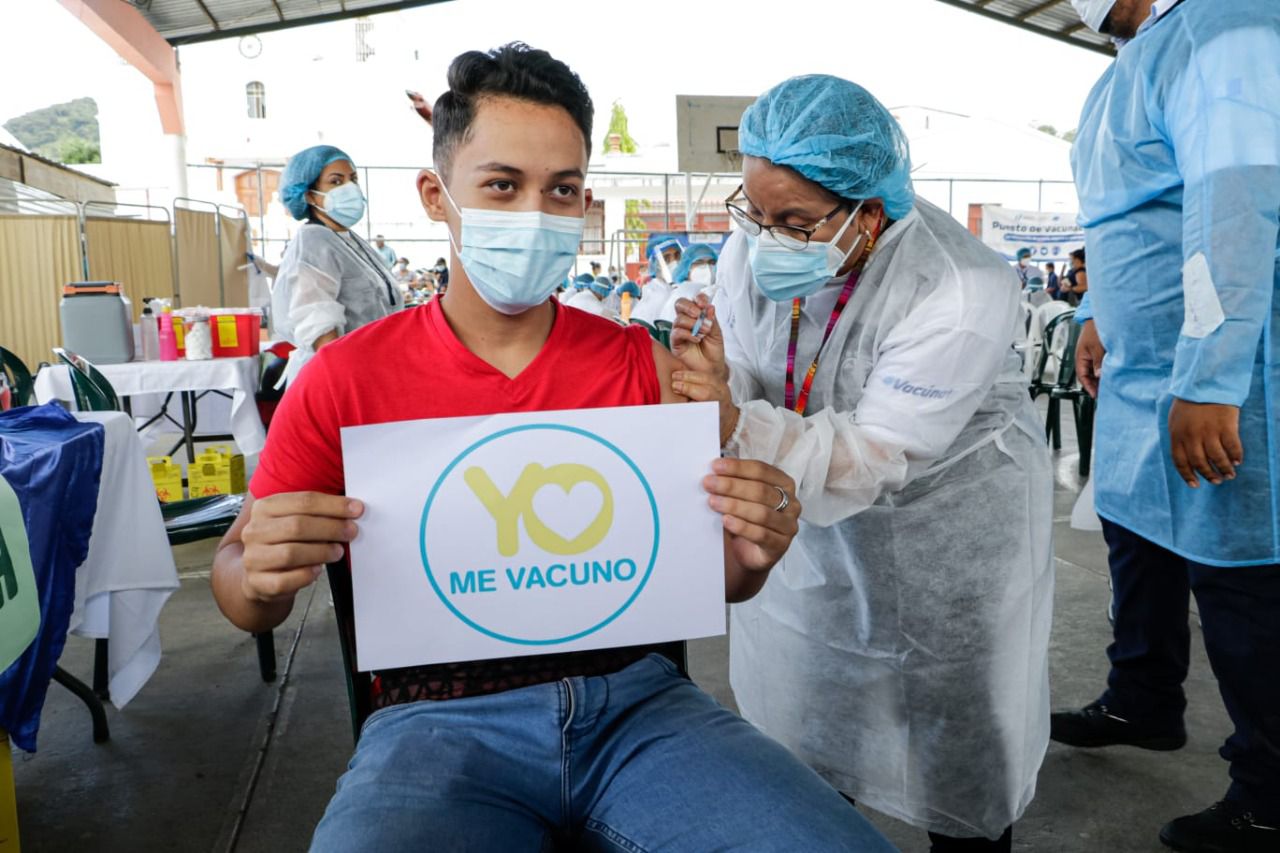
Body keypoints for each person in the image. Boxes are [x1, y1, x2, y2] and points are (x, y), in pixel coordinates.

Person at [211, 43, 892, 853]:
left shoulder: (645, 367)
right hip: (435, 722)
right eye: (502, 185)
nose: (535, 213)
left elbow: (717, 577)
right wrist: (260, 573)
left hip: (640, 708)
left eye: (561, 189)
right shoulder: (343, 380)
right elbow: (239, 584)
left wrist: (755, 546)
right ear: (436, 196)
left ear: (583, 201)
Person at [670, 74, 1054, 852]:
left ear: (869, 214)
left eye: (795, 222)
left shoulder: (958, 284)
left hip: (945, 529)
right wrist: (713, 376)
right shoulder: (754, 249)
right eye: (755, 212)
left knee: (951, 717)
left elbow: (876, 453)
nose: (766, 238)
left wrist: (733, 419)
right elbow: (750, 365)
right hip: (804, 512)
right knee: (809, 709)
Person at [1052, 3, 1280, 852]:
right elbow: (1122, 217)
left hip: (1212, 366)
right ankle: (1142, 699)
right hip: (1140, 365)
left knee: (1237, 579)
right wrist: (1096, 314)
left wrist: (1210, 377)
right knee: (1134, 530)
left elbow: (1234, 205)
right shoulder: (1127, 67)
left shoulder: (1227, 28)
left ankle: (1269, 790)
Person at [271, 145, 403, 386]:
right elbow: (317, 322)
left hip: (369, 369)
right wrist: (344, 382)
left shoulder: (348, 240)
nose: (350, 187)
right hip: (339, 377)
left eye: (353, 179)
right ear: (309, 195)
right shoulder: (314, 240)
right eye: (336, 181)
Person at [658, 242, 719, 324]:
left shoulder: (679, 290)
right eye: (699, 262)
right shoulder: (691, 291)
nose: (707, 267)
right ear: (686, 268)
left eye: (712, 262)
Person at [630, 238, 683, 324]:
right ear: (655, 264)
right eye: (666, 258)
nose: (675, 262)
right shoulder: (659, 296)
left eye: (677, 255)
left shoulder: (669, 289)